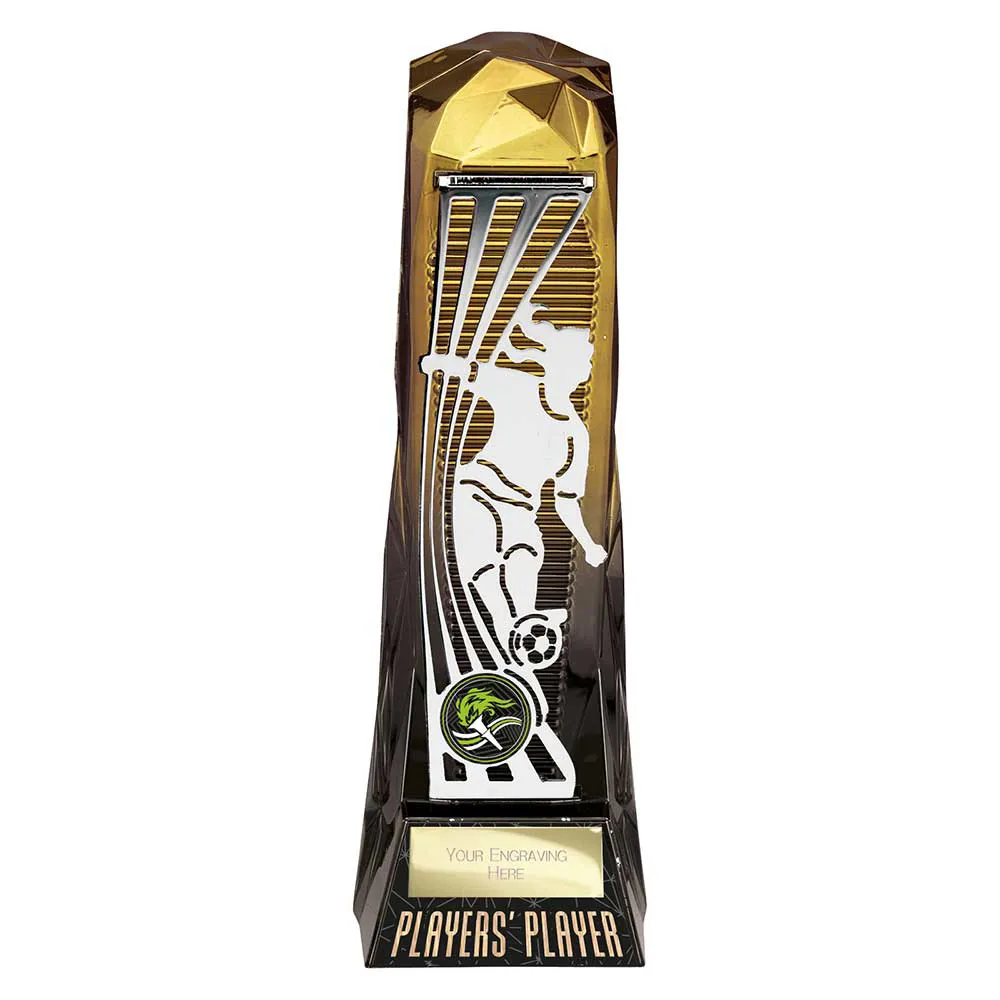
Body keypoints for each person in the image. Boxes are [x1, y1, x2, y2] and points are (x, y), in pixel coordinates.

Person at [421, 302, 607, 660]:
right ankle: (509, 625)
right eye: (578, 360)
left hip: (521, 507)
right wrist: (436, 362)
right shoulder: (518, 386)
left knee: (527, 553)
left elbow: (565, 499)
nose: (584, 368)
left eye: (585, 363)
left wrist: (588, 543)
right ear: (556, 361)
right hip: (477, 490)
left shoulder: (575, 435)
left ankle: (525, 623)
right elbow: (472, 371)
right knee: (483, 562)